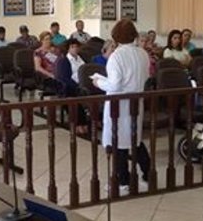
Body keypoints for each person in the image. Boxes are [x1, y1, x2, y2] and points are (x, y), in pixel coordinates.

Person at [93, 19, 151, 196]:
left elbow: (115, 84)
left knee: (118, 142)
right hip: (136, 102)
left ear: (115, 37)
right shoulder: (142, 53)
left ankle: (123, 181)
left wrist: (98, 82)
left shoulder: (117, 55)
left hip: (120, 105)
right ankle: (148, 175)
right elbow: (146, 76)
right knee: (136, 140)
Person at [54, 39, 87, 134]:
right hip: (69, 88)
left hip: (81, 85)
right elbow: (64, 79)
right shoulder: (64, 61)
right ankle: (77, 124)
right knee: (74, 100)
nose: (75, 49)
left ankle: (86, 122)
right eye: (72, 47)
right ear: (68, 49)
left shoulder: (80, 59)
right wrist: (77, 86)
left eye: (77, 47)